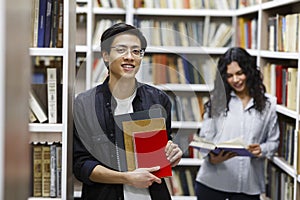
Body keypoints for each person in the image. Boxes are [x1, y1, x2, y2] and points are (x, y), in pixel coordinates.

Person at [73, 22, 183, 200]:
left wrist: (172, 155)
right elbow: (81, 166)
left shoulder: (158, 100)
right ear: (106, 55)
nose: (130, 57)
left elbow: (163, 149)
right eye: (121, 50)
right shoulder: (84, 104)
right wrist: (127, 178)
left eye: (136, 51)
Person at [195, 47, 280, 200]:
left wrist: (262, 149)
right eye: (229, 76)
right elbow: (204, 139)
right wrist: (211, 157)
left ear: (249, 72)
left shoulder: (268, 105)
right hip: (212, 184)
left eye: (239, 73)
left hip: (248, 186)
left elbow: (274, 142)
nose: (235, 80)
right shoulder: (217, 102)